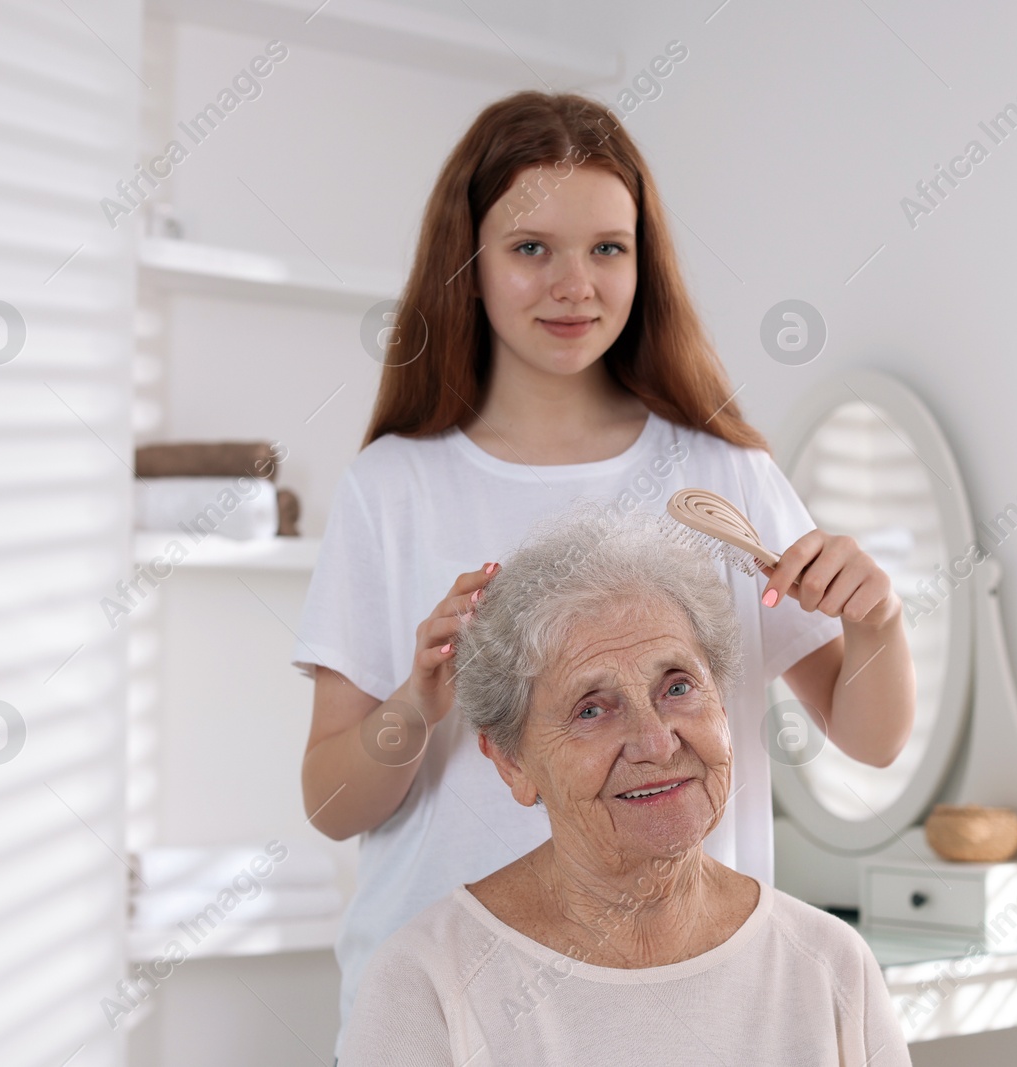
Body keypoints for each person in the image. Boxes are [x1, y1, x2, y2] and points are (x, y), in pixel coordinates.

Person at [291, 90, 916, 1060]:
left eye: (607, 249)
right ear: (469, 262)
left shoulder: (724, 474)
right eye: (531, 247)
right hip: (463, 1015)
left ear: (644, 261)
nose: (572, 284)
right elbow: (333, 802)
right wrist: (416, 702)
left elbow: (870, 737)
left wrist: (875, 621)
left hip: (702, 995)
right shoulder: (394, 487)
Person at [338, 509, 913, 1064]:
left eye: (678, 687)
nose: (657, 743)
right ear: (512, 763)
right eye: (592, 710)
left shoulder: (829, 964)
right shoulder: (428, 984)